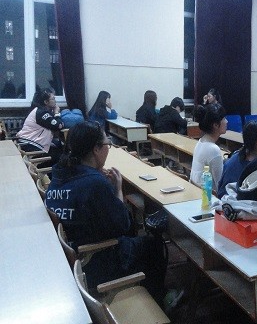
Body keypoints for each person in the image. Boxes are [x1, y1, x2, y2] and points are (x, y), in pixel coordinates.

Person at [44, 121, 167, 303]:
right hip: (95, 258)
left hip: (74, 250)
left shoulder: (60, 172)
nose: (108, 149)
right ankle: (158, 299)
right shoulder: (94, 183)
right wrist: (118, 189)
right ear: (96, 149)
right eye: (107, 144)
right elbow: (124, 225)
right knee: (154, 245)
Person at [16, 87, 64, 167]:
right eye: (53, 99)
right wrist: (57, 113)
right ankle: (50, 174)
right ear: (46, 102)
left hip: (30, 142)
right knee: (61, 157)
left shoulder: (40, 110)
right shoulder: (42, 113)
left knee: (58, 146)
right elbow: (59, 126)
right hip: (31, 145)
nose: (55, 101)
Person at [190, 103, 227, 188]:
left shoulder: (201, 141)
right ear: (215, 125)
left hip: (197, 191)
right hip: (207, 195)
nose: (226, 121)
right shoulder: (213, 149)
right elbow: (220, 186)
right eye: (224, 119)